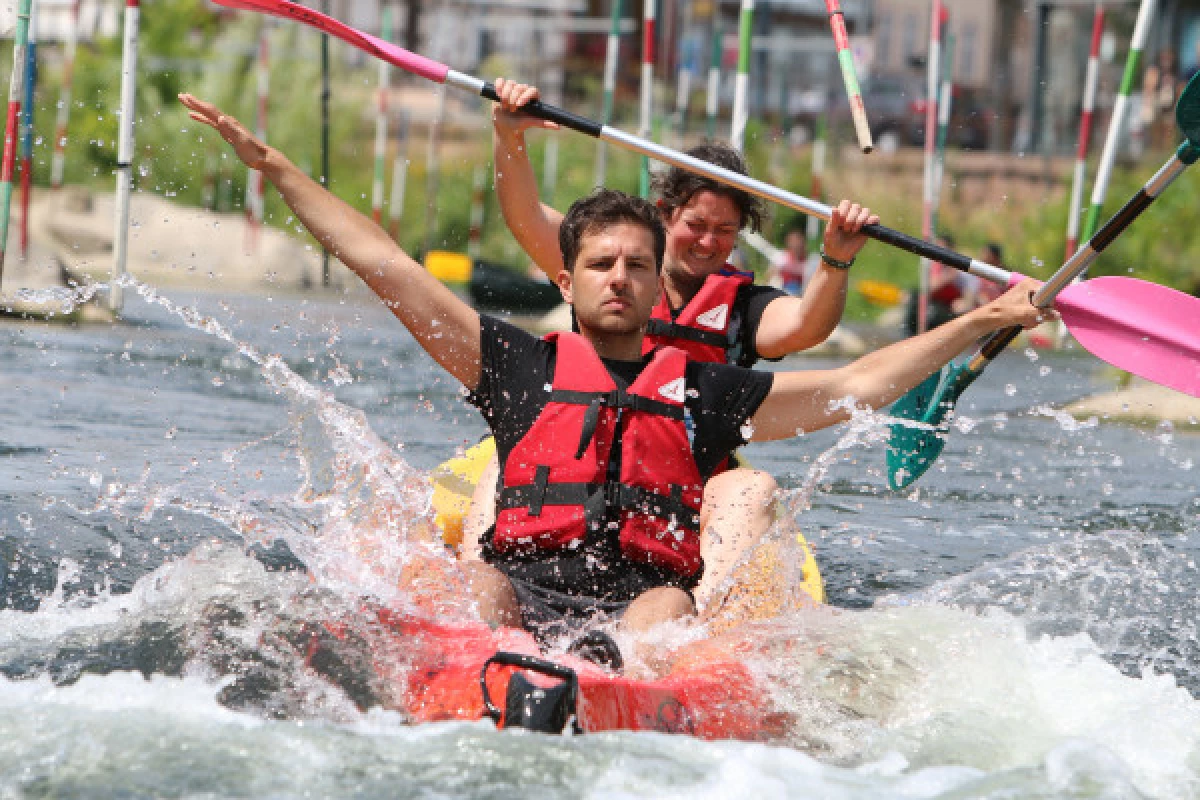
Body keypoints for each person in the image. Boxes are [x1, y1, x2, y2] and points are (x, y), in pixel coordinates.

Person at [179, 93, 1049, 650]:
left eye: (637, 265)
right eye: (603, 265)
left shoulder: (706, 394)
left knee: (668, 615)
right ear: (566, 279)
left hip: (640, 603)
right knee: (477, 581)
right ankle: (496, 679)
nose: (623, 278)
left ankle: (639, 689)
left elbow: (854, 386)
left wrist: (983, 317)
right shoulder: (515, 364)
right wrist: (277, 170)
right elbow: (389, 266)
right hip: (519, 589)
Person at [484, 79, 872, 582]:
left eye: (725, 231)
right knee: (498, 467)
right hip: (580, 459)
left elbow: (806, 327)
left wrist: (835, 259)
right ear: (666, 214)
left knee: (750, 488)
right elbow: (525, 217)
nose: (709, 242)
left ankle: (697, 626)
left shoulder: (741, 309)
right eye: (696, 224)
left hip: (685, 483)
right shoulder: (610, 272)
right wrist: (508, 135)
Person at [771, 226, 818, 295]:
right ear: (789, 244)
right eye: (794, 242)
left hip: (804, 294)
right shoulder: (781, 258)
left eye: (799, 242)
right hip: (784, 292)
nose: (797, 245)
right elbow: (771, 275)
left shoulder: (813, 261)